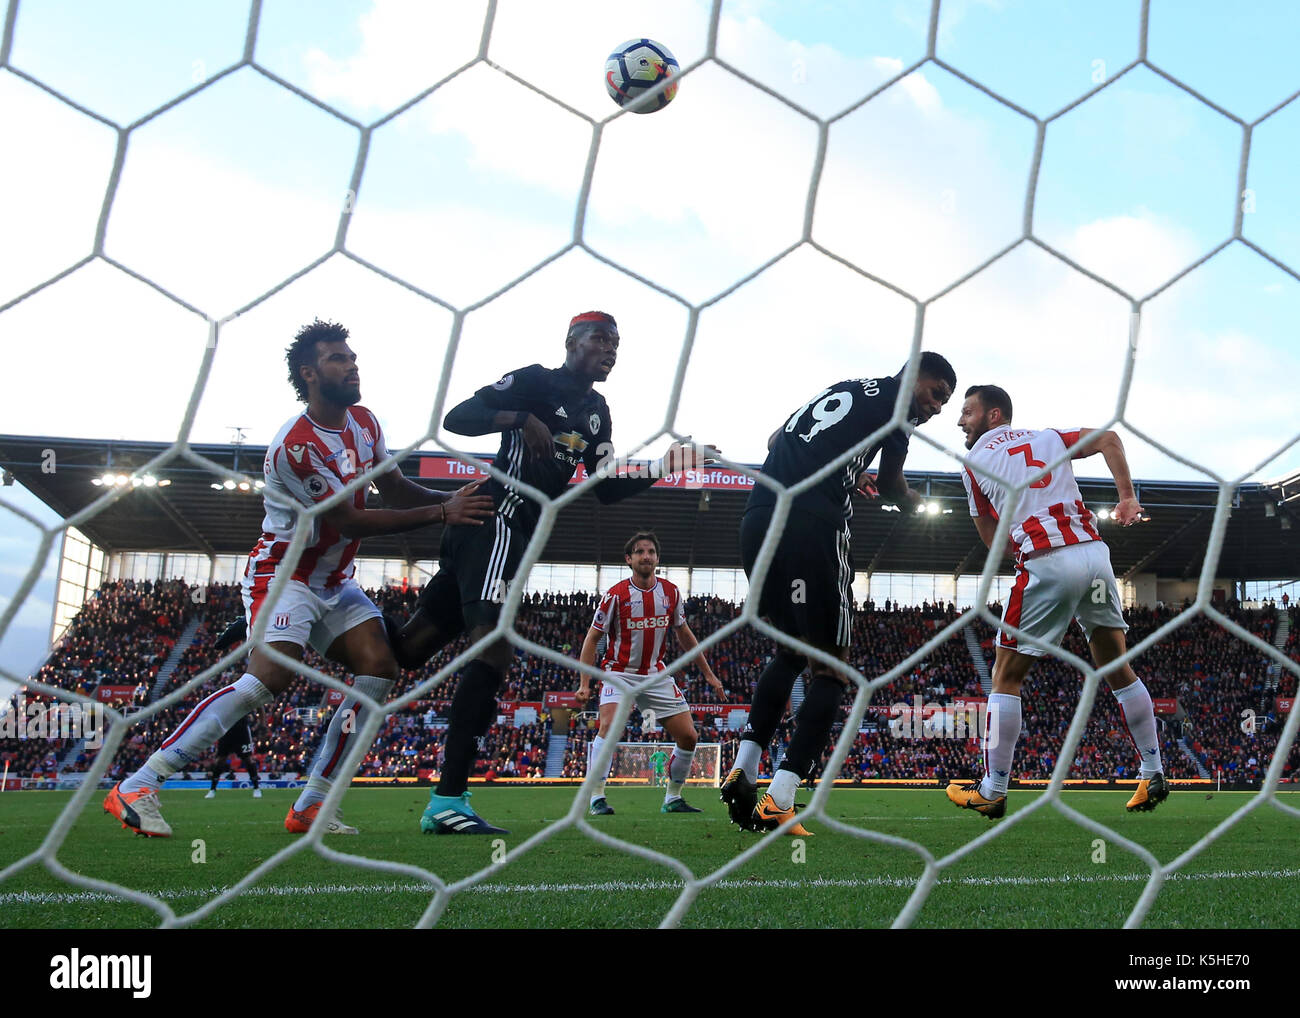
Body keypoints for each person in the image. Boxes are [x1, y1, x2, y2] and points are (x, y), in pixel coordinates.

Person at [103, 319, 493, 838]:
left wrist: (459, 501)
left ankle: (312, 804)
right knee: (272, 677)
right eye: (339, 359)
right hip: (286, 574)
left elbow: (395, 490)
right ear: (309, 374)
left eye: (352, 356)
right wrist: (443, 514)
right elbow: (349, 521)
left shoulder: (365, 422)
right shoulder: (298, 446)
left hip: (335, 581)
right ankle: (141, 782)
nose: (352, 365)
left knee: (379, 671)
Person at [386, 312, 715, 835]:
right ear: (571, 342)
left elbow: (604, 487)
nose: (609, 349)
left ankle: (318, 612)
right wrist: (518, 418)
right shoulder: (537, 380)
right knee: (494, 651)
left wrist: (666, 466)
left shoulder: (597, 413)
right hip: (498, 520)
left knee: (409, 649)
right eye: (599, 340)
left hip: (512, 536)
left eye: (616, 342)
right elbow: (459, 417)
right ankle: (448, 800)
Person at [721, 353, 957, 834]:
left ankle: (743, 768)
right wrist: (911, 502)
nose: (935, 409)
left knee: (789, 651)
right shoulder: (897, 409)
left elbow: (776, 441)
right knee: (831, 666)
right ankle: (782, 798)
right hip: (812, 526)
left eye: (944, 402)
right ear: (913, 377)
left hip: (760, 516)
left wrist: (849, 470)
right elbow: (893, 486)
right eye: (935, 393)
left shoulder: (845, 388)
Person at [945, 383, 1167, 819]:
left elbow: (992, 539)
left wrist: (1017, 553)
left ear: (994, 416)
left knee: (1005, 675)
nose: (960, 421)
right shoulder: (1049, 437)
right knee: (1116, 667)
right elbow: (1109, 438)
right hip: (1094, 555)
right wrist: (1126, 496)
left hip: (1047, 560)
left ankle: (993, 789)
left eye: (967, 412)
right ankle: (1153, 769)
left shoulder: (973, 463)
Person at [574, 532, 725, 815]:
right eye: (640, 551)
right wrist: (585, 682)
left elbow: (684, 633)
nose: (646, 556)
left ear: (657, 558)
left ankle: (673, 798)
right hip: (618, 672)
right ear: (629, 559)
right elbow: (592, 638)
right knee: (609, 726)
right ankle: (596, 798)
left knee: (689, 737)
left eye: (651, 551)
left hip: (655, 674)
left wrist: (708, 674)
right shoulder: (615, 596)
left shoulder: (671, 592)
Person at [204, 714, 261, 799]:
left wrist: (262, 722)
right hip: (227, 730)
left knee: (248, 759)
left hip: (242, 730)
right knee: (220, 760)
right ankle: (212, 789)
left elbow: (260, 706)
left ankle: (256, 788)